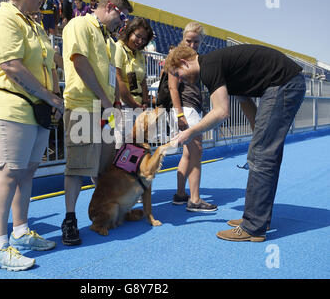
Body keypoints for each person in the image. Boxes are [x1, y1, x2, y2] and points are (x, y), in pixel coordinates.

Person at [165, 44, 306, 242]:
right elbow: (244, 99)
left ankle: (253, 226)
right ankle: (258, 219)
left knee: (261, 156)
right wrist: (257, 132)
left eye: (177, 73)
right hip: (285, 83)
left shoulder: (209, 67)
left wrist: (190, 132)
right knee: (261, 153)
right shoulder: (220, 66)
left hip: (284, 84)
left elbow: (221, 111)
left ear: (183, 62)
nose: (179, 79)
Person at [0, 0, 64, 271]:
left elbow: (49, 65)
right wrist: (49, 96)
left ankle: (21, 231)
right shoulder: (3, 17)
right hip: (11, 106)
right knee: (7, 173)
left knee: (27, 172)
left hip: (36, 109)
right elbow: (11, 66)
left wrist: (54, 98)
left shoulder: (35, 24)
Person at [62, 0, 133, 246]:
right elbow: (79, 63)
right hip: (83, 108)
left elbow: (110, 77)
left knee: (104, 168)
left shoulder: (110, 41)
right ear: (111, 7)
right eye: (121, 16)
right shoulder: (80, 24)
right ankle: (70, 218)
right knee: (78, 168)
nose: (122, 23)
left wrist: (112, 106)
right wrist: (105, 102)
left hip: (105, 112)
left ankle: (102, 212)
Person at [167, 22, 217, 212]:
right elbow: (173, 88)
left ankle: (181, 194)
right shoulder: (176, 58)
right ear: (183, 38)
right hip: (186, 110)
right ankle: (195, 200)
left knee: (189, 153)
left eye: (196, 42)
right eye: (189, 41)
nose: (192, 45)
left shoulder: (199, 58)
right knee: (197, 151)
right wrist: (180, 114)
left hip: (195, 108)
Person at [114, 17, 153, 147]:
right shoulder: (118, 48)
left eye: (144, 40)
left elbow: (143, 81)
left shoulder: (140, 55)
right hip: (123, 106)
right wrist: (133, 103)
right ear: (130, 31)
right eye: (138, 36)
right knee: (120, 147)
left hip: (138, 108)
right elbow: (117, 79)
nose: (140, 41)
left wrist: (145, 102)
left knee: (136, 148)